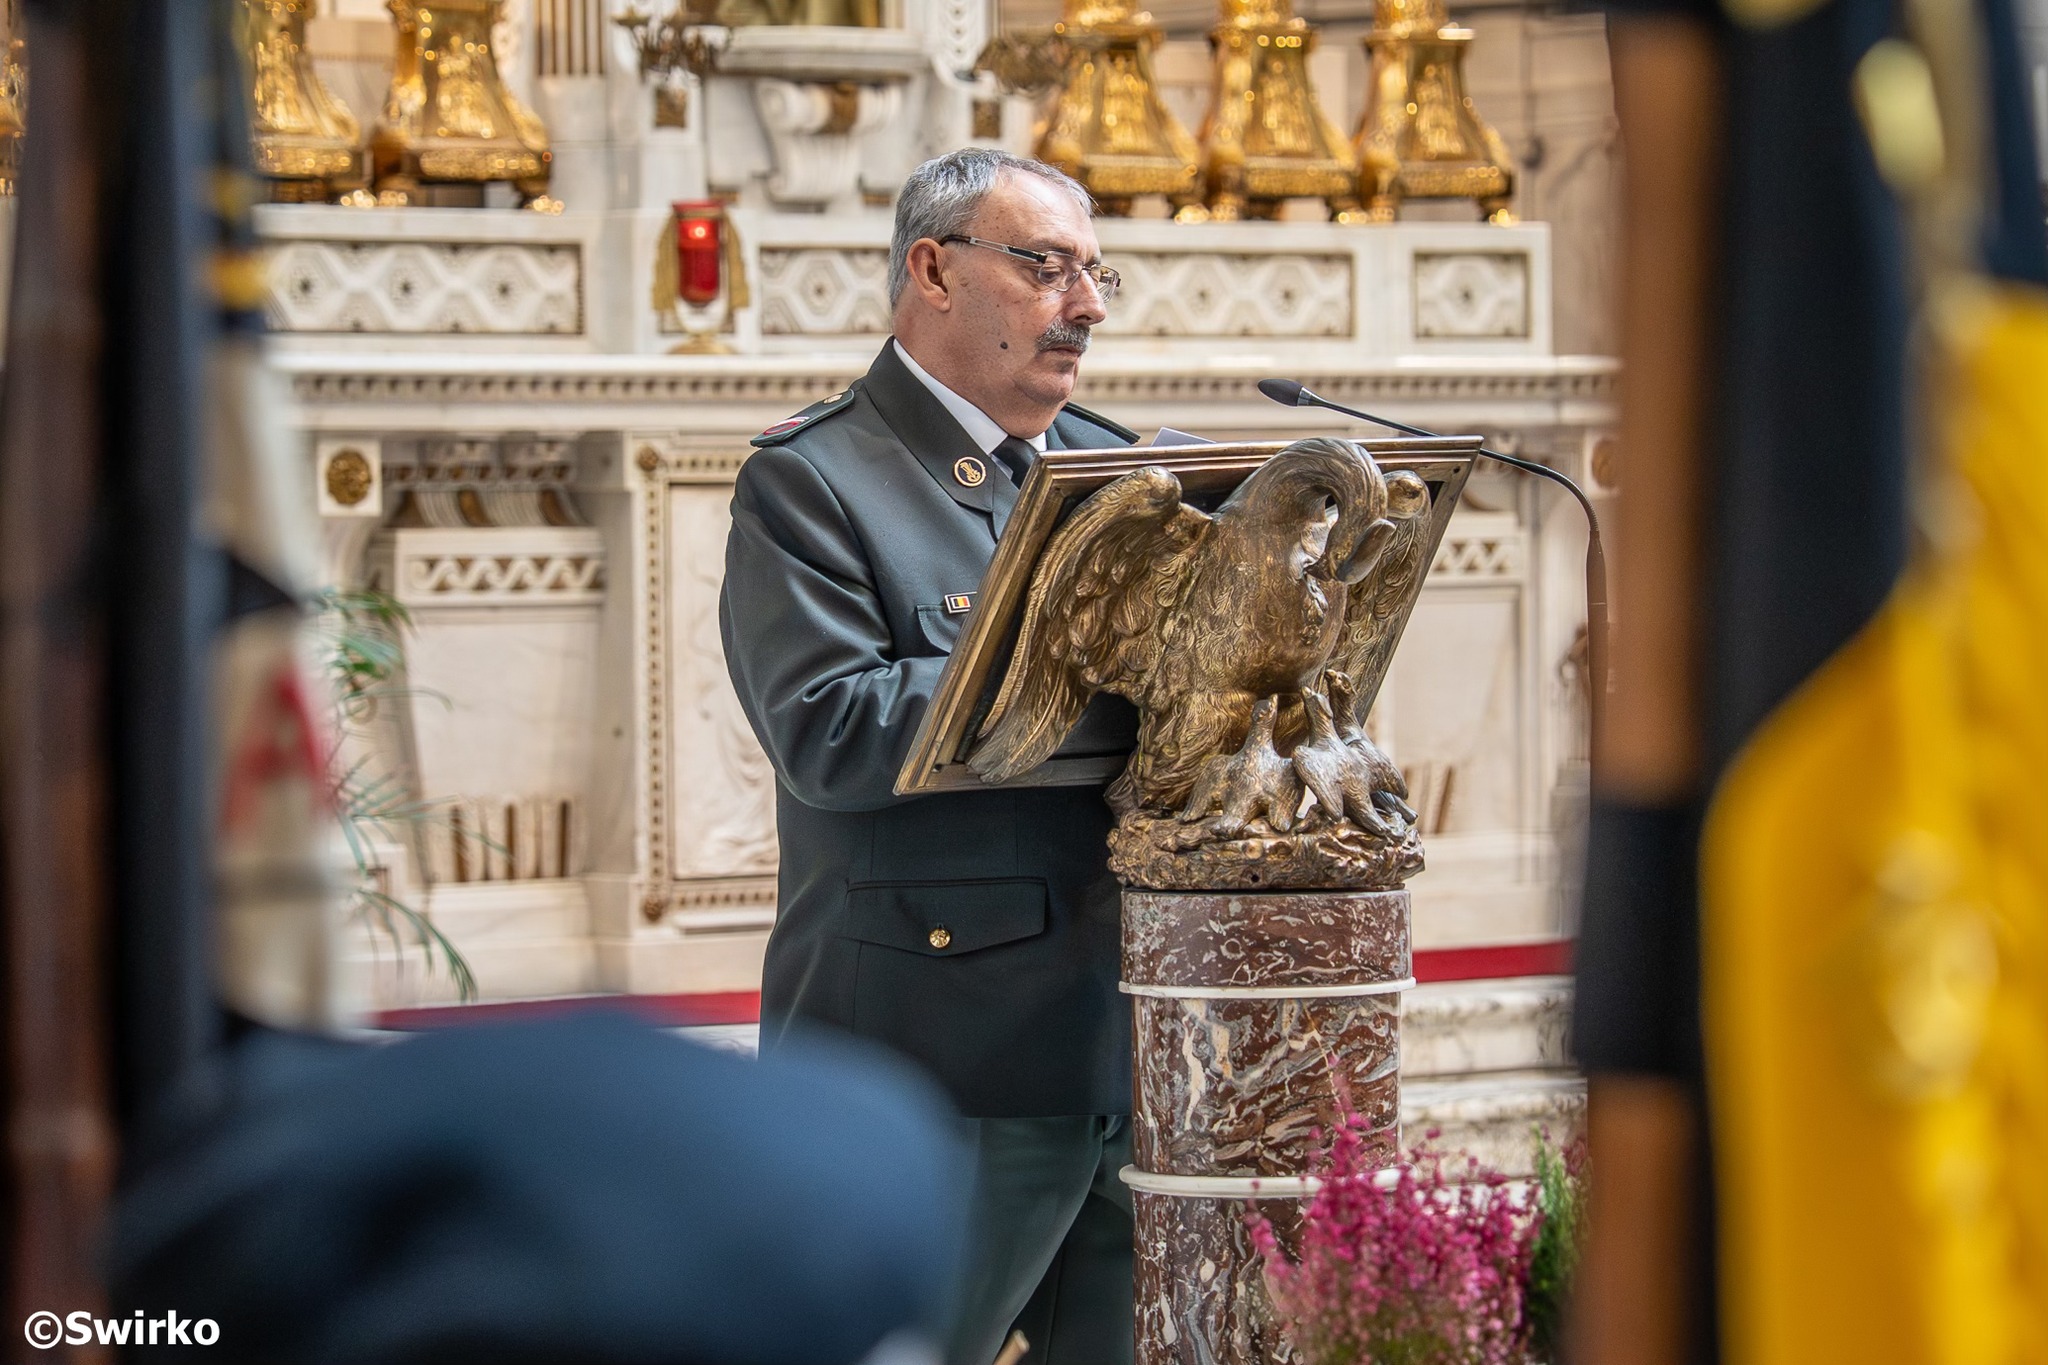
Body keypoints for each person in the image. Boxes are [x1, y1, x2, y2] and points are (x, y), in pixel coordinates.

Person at [720, 148, 1141, 1365]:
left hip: (1127, 1034)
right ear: (933, 269)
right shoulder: (813, 479)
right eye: (1045, 267)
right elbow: (829, 729)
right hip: (936, 1062)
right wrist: (1097, 675)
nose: (1085, 305)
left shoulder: (1113, 467)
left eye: (1094, 273)